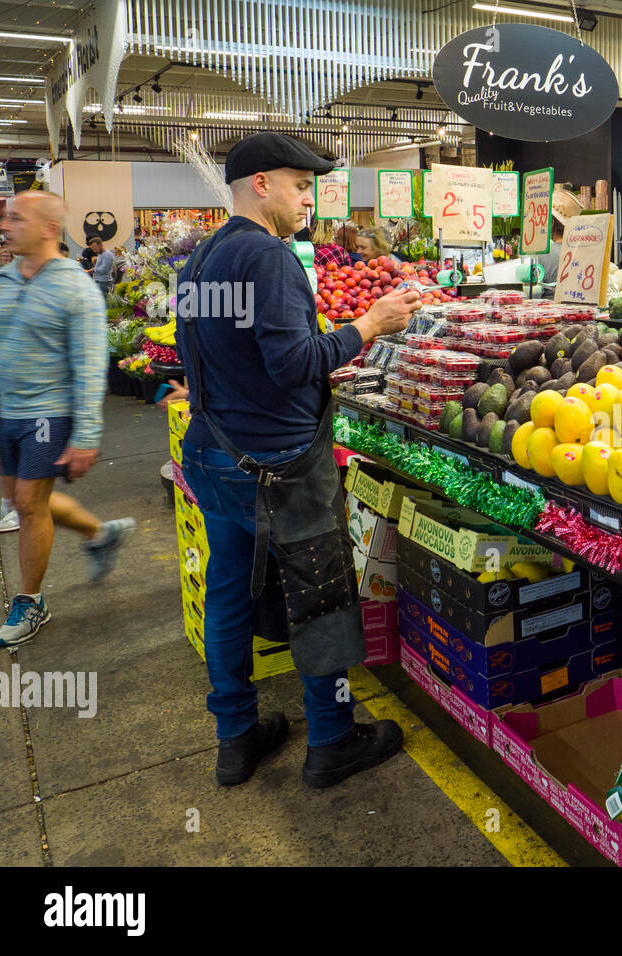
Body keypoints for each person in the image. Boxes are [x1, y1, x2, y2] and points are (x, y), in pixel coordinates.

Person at [175, 132, 421, 789]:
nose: (307, 199)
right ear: (261, 184)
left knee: (227, 595)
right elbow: (293, 366)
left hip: (214, 457)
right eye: (300, 185)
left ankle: (236, 740)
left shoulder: (199, 261)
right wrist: (370, 324)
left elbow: (200, 360)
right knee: (321, 607)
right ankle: (333, 740)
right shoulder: (271, 259)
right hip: (282, 470)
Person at [0, 191, 135, 647]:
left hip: (49, 413)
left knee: (30, 504)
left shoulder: (76, 288)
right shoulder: (0, 281)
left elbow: (92, 365)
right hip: (6, 410)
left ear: (49, 229)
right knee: (20, 500)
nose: (5, 226)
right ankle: (101, 532)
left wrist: (87, 434)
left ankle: (31, 601)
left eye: (16, 219)